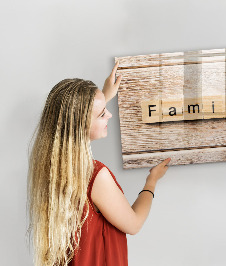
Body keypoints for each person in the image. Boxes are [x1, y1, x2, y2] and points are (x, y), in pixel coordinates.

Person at [27, 62, 171, 266]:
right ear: (81, 124)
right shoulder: (95, 176)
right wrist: (151, 181)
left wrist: (104, 96)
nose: (109, 115)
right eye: (102, 113)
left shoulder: (50, 165)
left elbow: (76, 117)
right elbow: (134, 224)